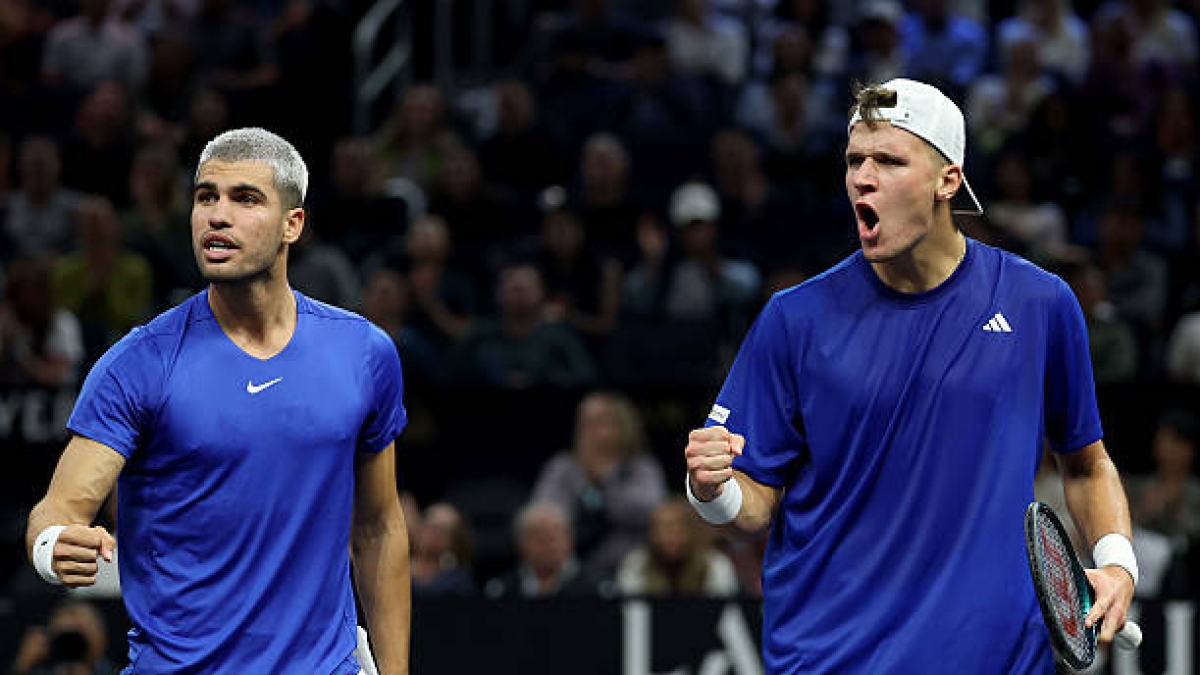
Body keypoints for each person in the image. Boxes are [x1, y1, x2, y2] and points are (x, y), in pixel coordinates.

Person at [683, 78, 1138, 673]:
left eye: (889, 161)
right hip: (831, 659)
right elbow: (754, 507)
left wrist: (1117, 563)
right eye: (854, 161)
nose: (862, 179)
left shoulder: (1040, 303)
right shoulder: (793, 320)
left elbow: (1085, 461)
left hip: (996, 659)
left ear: (947, 180)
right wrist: (710, 490)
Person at [24, 128, 411, 673]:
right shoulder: (140, 362)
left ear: (291, 225)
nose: (216, 216)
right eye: (206, 197)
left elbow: (377, 526)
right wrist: (53, 545)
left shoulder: (364, 353)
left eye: (245, 199)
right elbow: (59, 509)